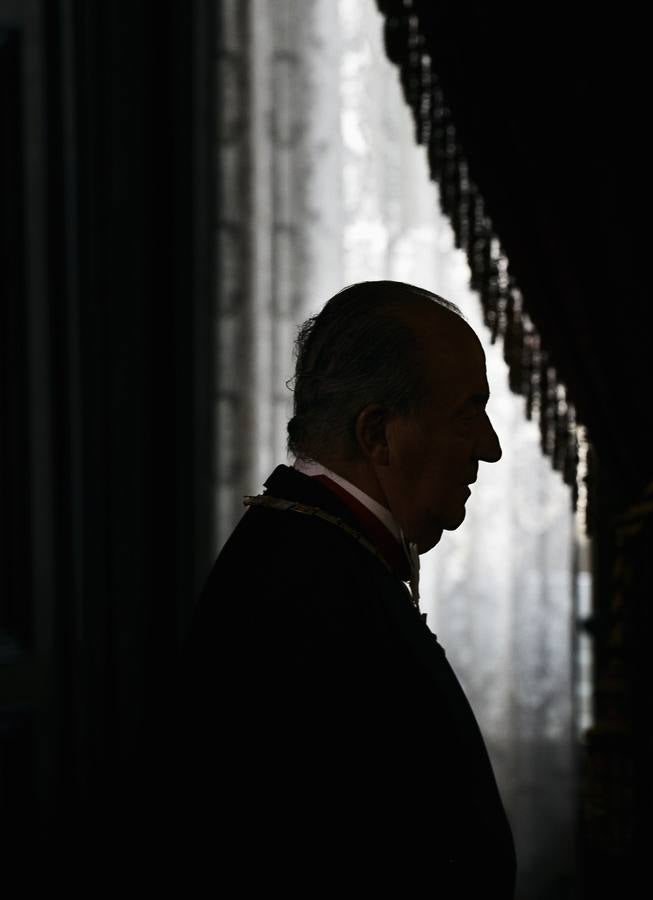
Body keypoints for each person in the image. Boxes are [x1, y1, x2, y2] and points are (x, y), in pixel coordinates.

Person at [142, 281, 515, 898]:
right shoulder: (311, 588)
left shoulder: (316, 553)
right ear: (377, 434)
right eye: (466, 413)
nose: (490, 447)